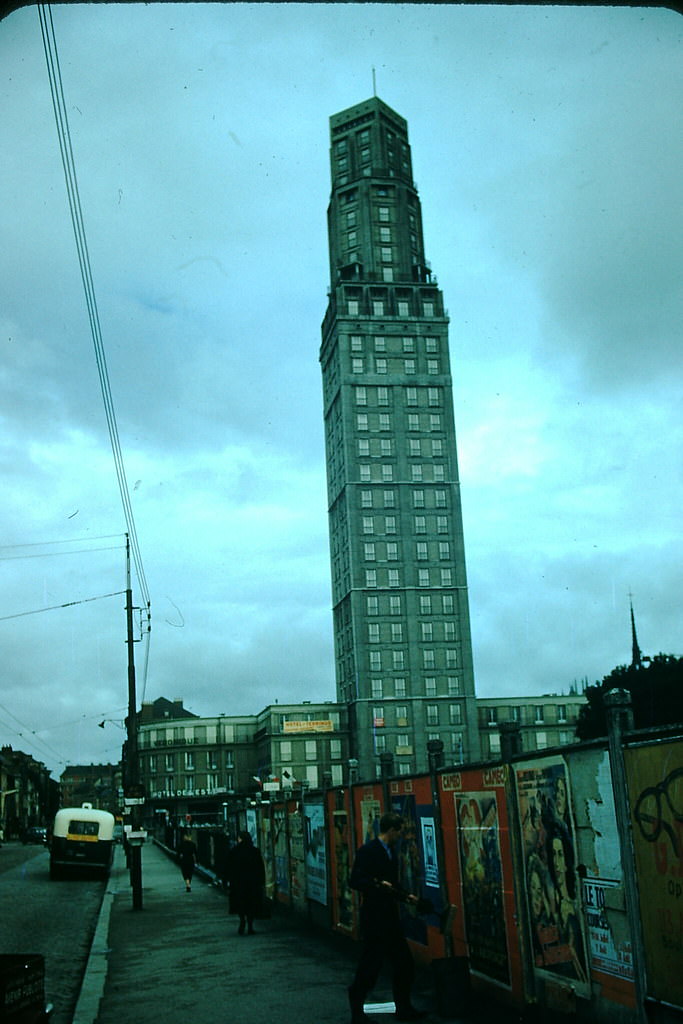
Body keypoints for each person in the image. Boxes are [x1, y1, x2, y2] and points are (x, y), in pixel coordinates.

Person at [348, 811, 426, 1023]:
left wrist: (405, 896)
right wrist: (376, 884)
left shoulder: (389, 851)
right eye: (399, 830)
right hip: (374, 917)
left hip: (388, 916)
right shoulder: (369, 851)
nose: (401, 835)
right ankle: (357, 1010)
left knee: (404, 963)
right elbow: (355, 880)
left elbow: (391, 883)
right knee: (371, 965)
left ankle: (403, 1007)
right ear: (391, 830)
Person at [227, 831, 266, 935]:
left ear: (240, 839)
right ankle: (250, 925)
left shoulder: (234, 851)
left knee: (240, 903)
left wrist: (228, 881)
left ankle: (242, 920)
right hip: (252, 883)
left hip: (238, 883)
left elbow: (229, 868)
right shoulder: (255, 851)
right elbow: (260, 867)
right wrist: (261, 881)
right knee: (251, 904)